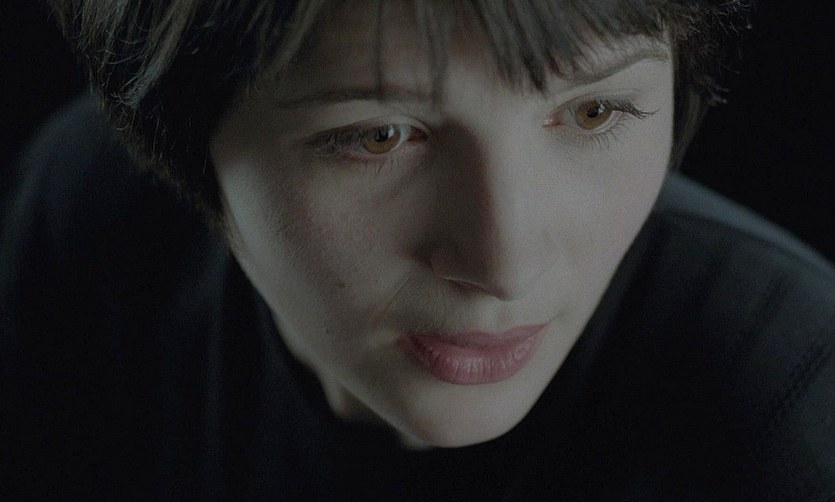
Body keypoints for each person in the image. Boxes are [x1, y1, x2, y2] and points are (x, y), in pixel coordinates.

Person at [1, 0, 833, 499]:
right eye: (377, 135)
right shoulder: (91, 220)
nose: (505, 265)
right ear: (183, 142)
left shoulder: (791, 413)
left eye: (594, 112)